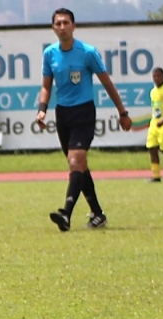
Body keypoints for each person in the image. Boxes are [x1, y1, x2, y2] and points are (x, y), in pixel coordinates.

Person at [36, 8, 132, 232]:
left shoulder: (87, 52)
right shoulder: (50, 54)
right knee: (80, 166)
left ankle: (66, 214)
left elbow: (107, 83)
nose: (62, 27)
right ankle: (97, 213)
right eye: (58, 23)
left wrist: (122, 112)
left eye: (66, 23)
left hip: (84, 113)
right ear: (53, 28)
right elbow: (45, 86)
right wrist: (42, 109)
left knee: (74, 162)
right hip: (63, 114)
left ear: (73, 26)